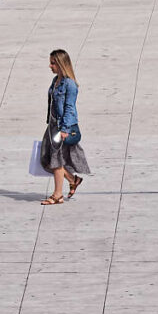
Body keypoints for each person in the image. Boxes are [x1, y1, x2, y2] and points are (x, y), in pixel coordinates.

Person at [40, 49, 90, 205]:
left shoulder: (70, 84)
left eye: (53, 63)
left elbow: (69, 107)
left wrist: (64, 129)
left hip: (62, 126)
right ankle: (73, 180)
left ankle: (57, 195)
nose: (50, 66)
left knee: (56, 161)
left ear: (61, 64)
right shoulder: (55, 80)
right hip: (52, 125)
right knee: (46, 159)